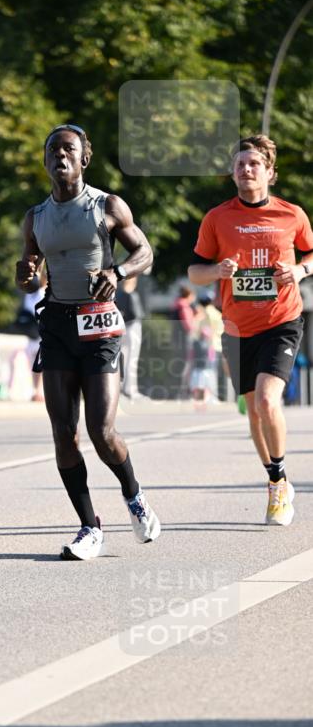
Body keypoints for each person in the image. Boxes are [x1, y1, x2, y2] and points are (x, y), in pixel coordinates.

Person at [16, 123, 161, 560]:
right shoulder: (35, 217)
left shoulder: (106, 205)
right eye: (52, 150)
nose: (60, 155)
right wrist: (25, 275)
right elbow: (30, 272)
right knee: (63, 434)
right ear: (45, 161)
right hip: (58, 326)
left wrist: (118, 272)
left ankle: (134, 495)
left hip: (99, 325)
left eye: (68, 149)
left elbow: (145, 253)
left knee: (101, 431)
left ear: (84, 159)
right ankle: (89, 526)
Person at [188, 134, 313, 526]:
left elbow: (312, 253)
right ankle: (277, 479)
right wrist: (217, 270)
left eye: (254, 163)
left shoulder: (292, 214)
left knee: (266, 400)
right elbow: (195, 272)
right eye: (240, 163)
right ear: (232, 172)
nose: (246, 169)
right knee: (253, 412)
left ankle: (277, 484)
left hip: (281, 321)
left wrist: (300, 270)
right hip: (237, 328)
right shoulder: (217, 218)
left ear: (270, 173)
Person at [115, 270, 146, 400]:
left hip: (121, 328)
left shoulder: (118, 295)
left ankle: (120, 388)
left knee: (122, 359)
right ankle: (131, 389)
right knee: (132, 359)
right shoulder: (133, 295)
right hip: (133, 328)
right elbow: (137, 314)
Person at [171, 284, 195, 398]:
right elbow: (189, 326)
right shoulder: (184, 307)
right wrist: (197, 318)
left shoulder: (176, 305)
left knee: (178, 364)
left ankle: (177, 390)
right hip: (184, 339)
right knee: (185, 365)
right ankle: (182, 391)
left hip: (176, 339)